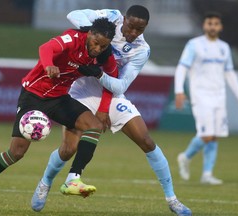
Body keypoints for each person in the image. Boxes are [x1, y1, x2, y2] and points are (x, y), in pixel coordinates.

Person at [31, 5, 192, 216]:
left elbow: (121, 86)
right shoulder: (111, 17)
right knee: (68, 149)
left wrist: (99, 76)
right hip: (80, 91)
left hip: (111, 94)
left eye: (139, 30)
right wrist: (92, 28)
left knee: (147, 141)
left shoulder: (142, 50)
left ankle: (172, 200)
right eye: (131, 27)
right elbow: (73, 15)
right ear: (124, 19)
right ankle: (45, 183)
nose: (133, 33)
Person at [0, 18, 118, 212]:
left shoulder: (104, 55)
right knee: (16, 153)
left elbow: (113, 79)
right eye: (96, 43)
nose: (98, 49)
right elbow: (45, 48)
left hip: (59, 98)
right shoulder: (72, 38)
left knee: (94, 126)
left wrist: (103, 107)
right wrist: (49, 64)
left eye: (103, 46)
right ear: (90, 34)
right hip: (33, 96)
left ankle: (73, 179)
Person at [175, 12, 238, 185]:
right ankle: (185, 156)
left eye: (216, 23)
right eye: (209, 23)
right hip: (200, 95)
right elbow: (182, 68)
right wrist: (179, 90)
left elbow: (229, 73)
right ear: (205, 25)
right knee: (207, 135)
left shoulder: (224, 47)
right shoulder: (194, 45)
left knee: (215, 135)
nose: (212, 26)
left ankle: (207, 174)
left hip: (219, 96)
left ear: (220, 27)